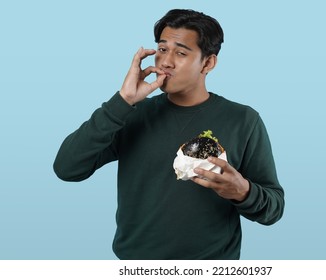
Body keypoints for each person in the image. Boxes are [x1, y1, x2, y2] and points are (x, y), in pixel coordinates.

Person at [53, 9, 284, 260]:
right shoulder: (131, 114)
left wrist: (243, 192)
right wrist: (123, 101)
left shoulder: (243, 120)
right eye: (162, 49)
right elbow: (67, 168)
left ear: (208, 63)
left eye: (181, 52)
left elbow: (273, 209)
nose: (166, 61)